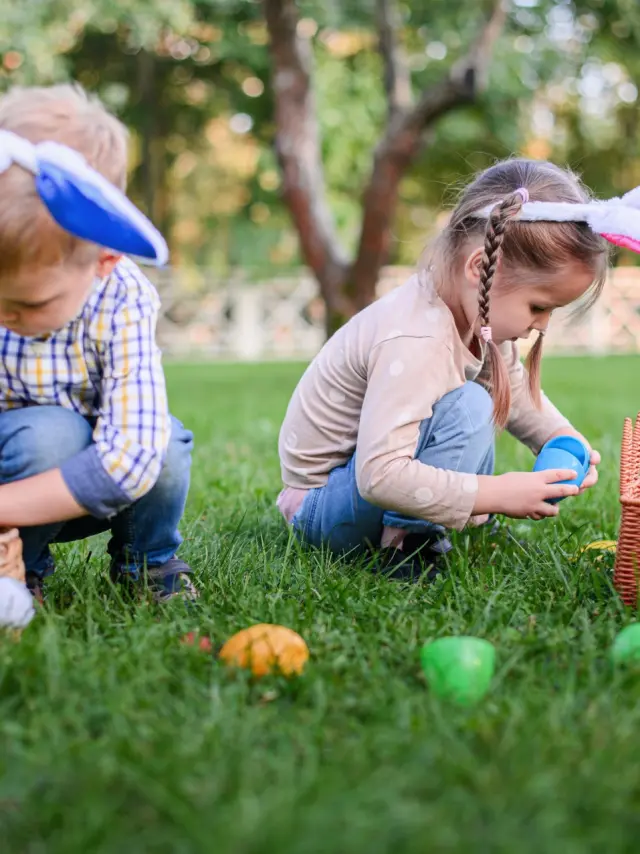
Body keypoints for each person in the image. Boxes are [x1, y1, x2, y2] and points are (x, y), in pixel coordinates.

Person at [275, 157, 634, 580]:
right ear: (480, 268)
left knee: (480, 397)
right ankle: (407, 547)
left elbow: (514, 392)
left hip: (354, 492)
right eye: (539, 306)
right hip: (324, 507)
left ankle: (441, 526)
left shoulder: (473, 317)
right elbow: (379, 475)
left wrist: (560, 438)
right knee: (468, 406)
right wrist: (496, 493)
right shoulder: (416, 339)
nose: (542, 324)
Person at [0, 84, 195, 602]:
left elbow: (131, 456)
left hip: (96, 488)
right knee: (49, 434)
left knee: (166, 445)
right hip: (14, 468)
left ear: (104, 260)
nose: (5, 318)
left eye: (27, 306)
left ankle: (147, 565)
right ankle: (24, 568)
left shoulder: (124, 296)